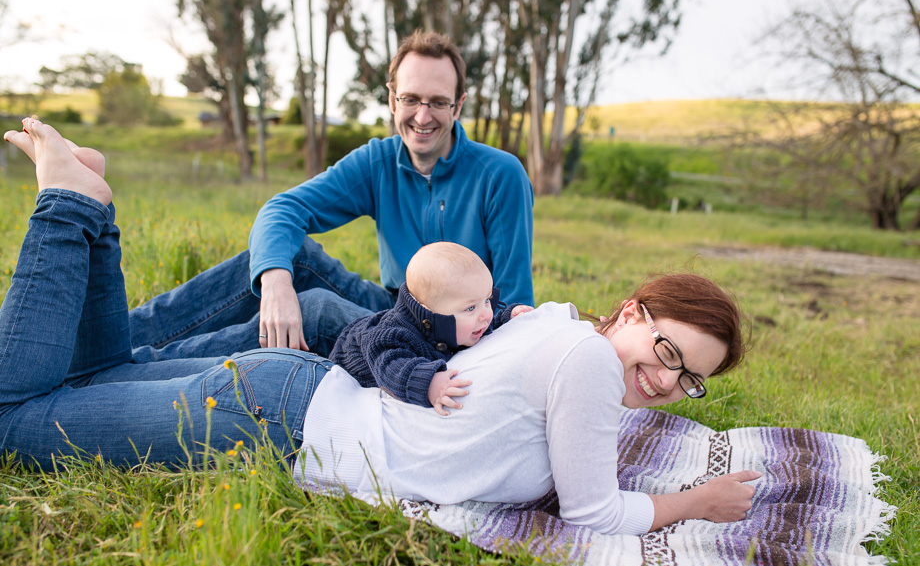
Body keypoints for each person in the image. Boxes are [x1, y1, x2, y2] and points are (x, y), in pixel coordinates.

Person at [0, 120, 759, 537]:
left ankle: (94, 211)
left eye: (689, 378)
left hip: (296, 393)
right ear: (632, 312)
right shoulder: (586, 362)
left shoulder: (555, 323)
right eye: (668, 351)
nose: (667, 381)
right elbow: (596, 514)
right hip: (276, 420)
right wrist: (698, 501)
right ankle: (68, 205)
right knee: (10, 420)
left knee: (95, 378)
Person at [126, 30, 535, 363]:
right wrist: (275, 283)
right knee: (290, 257)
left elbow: (514, 304)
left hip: (459, 335)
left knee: (318, 309)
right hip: (393, 306)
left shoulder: (500, 174)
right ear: (392, 98)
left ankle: (141, 366)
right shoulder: (378, 161)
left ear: (458, 106)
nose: (422, 116)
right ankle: (115, 339)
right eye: (410, 99)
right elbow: (284, 209)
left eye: (438, 102)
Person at [329, 242, 532, 415]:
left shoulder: (462, 323)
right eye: (471, 308)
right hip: (349, 366)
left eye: (487, 300)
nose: (486, 314)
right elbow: (392, 368)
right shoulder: (391, 337)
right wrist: (429, 383)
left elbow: (484, 327)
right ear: (430, 314)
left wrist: (507, 318)